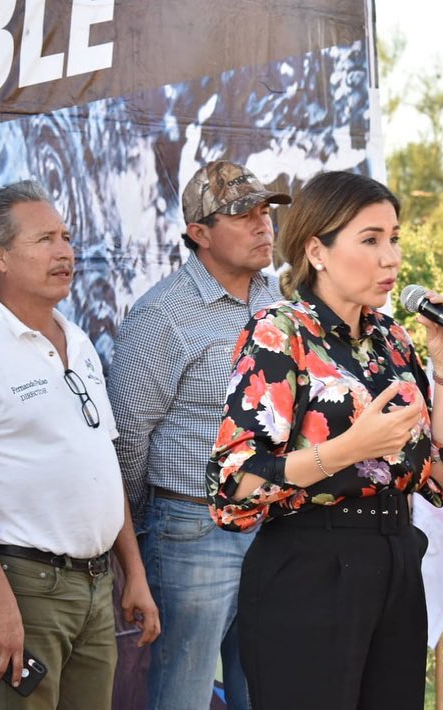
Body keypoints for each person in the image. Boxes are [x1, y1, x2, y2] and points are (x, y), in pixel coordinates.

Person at [207, 170, 443, 710]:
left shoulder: (392, 340)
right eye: (370, 240)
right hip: (310, 569)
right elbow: (232, 488)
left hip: (395, 560)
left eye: (394, 238)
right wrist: (350, 449)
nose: (390, 257)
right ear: (317, 250)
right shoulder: (280, 332)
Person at [0, 180, 160, 709]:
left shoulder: (78, 340)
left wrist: (134, 574)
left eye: (67, 237)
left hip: (98, 587)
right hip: (27, 591)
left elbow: (102, 466)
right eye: (45, 239)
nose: (65, 252)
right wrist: (0, 604)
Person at [107, 161, 291, 710]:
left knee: (264, 691)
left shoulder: (280, 301)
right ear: (199, 234)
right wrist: (153, 524)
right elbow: (128, 439)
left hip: (274, 524)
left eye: (265, 211)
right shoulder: (161, 315)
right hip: (192, 527)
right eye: (242, 214)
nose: (263, 226)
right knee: (183, 696)